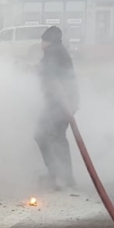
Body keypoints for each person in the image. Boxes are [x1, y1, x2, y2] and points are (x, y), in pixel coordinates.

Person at [35, 26, 79, 190]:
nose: (41, 44)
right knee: (56, 137)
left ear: (47, 41)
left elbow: (50, 76)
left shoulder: (53, 52)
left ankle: (57, 175)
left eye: (42, 40)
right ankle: (63, 176)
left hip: (60, 103)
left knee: (43, 135)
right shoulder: (58, 51)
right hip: (63, 102)